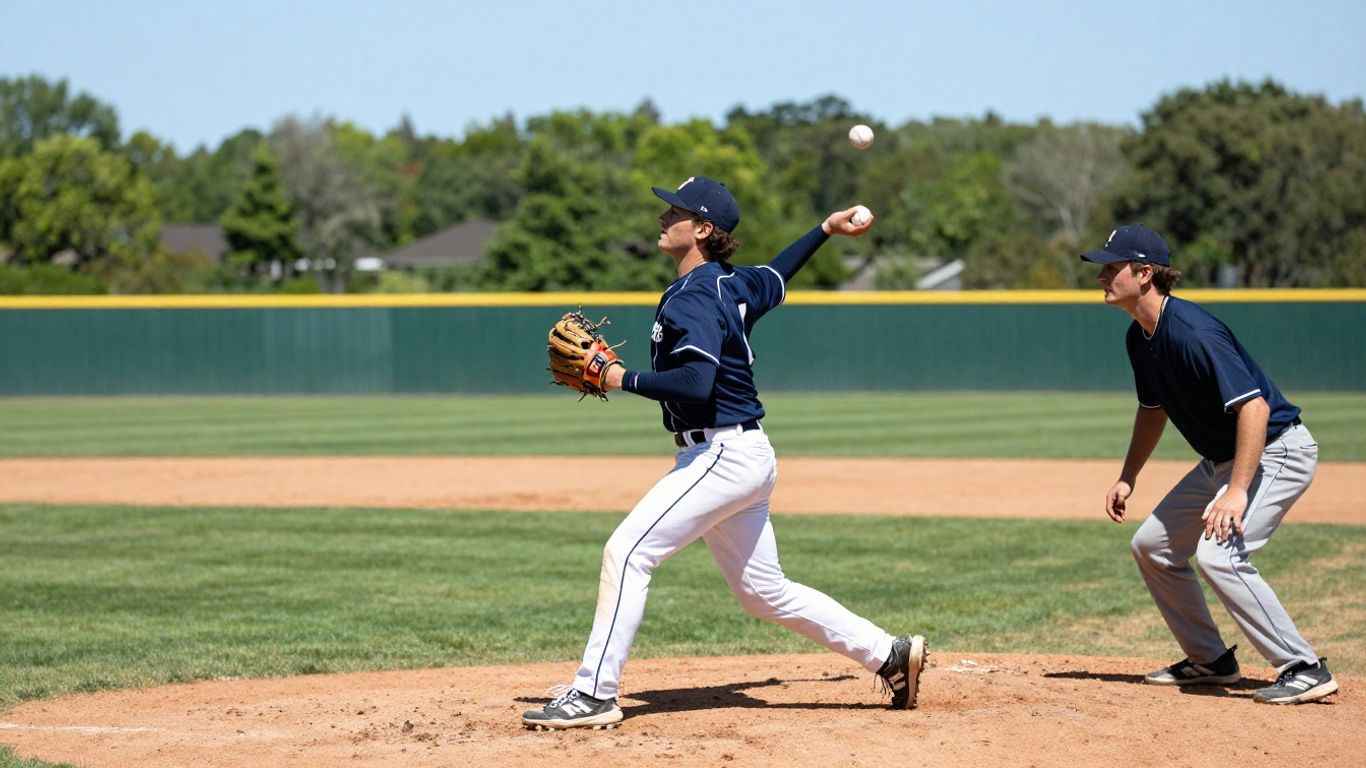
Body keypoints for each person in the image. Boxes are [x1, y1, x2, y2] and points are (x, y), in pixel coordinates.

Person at [522, 175, 927, 730]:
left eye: (677, 212)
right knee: (764, 591)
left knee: (628, 552)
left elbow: (694, 383)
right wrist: (825, 230)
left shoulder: (694, 298)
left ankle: (594, 693)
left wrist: (619, 377)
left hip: (720, 453)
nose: (665, 218)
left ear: (704, 229)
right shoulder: (731, 284)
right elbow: (779, 273)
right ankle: (889, 653)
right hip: (742, 454)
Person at [1083, 224, 1337, 705]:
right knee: (1152, 545)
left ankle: (1304, 666)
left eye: (1111, 267)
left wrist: (1238, 491)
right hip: (1224, 459)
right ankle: (1210, 659)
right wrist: (1128, 475)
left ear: (1143, 273)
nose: (1101, 276)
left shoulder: (1193, 332)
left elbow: (1256, 409)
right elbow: (1152, 410)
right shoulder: (1140, 337)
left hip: (1276, 451)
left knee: (1220, 556)